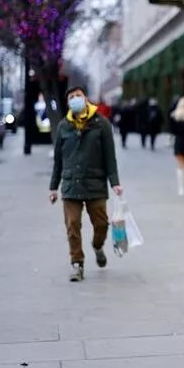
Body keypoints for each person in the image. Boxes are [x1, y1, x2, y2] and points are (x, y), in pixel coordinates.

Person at [48, 86, 123, 282]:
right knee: (72, 225)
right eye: (71, 97)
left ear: (85, 98)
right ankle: (77, 263)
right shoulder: (64, 126)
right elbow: (58, 160)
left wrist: (114, 183)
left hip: (95, 184)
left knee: (101, 224)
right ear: (68, 103)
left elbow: (110, 157)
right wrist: (53, 187)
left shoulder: (101, 124)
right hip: (71, 184)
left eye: (78, 95)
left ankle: (97, 246)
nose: (75, 99)